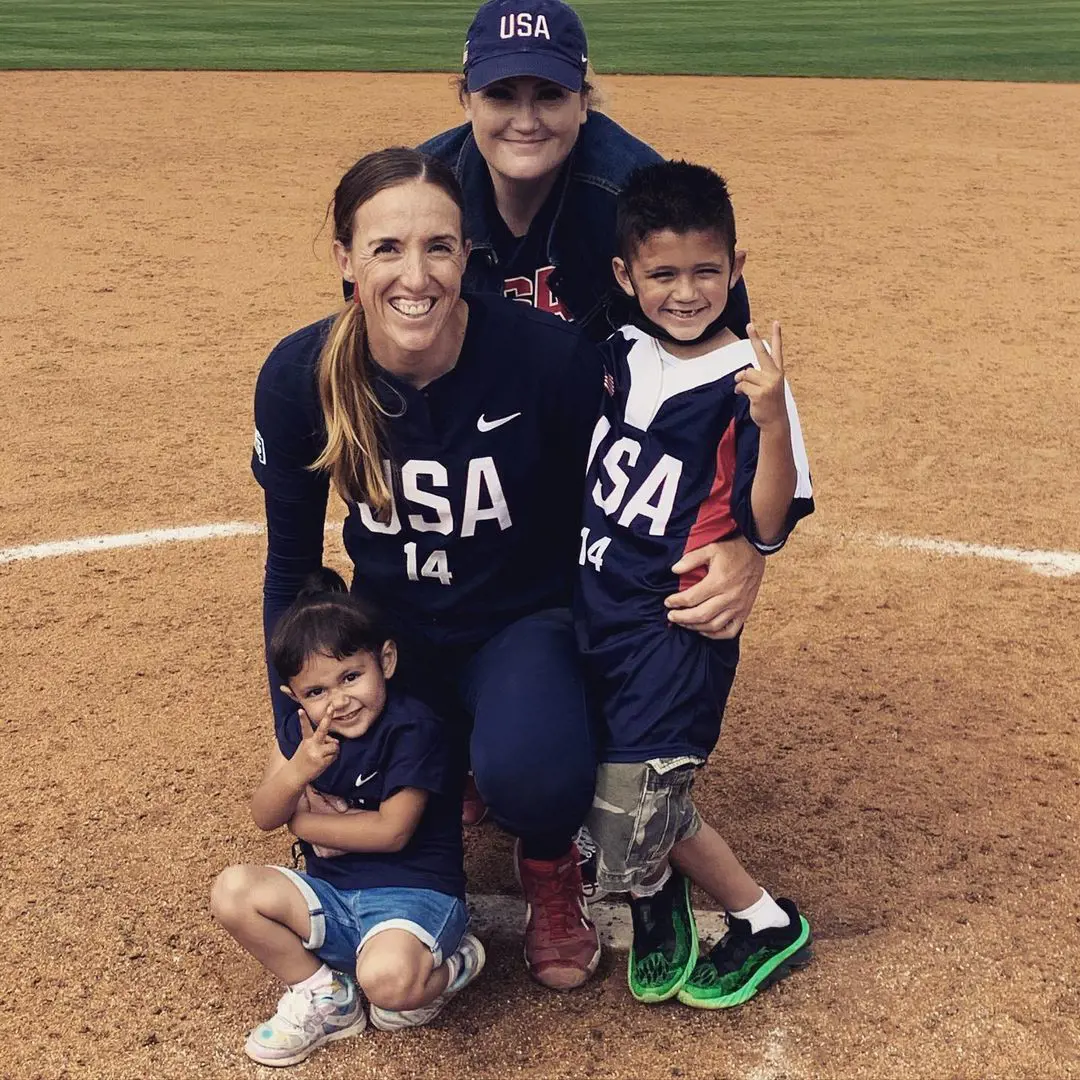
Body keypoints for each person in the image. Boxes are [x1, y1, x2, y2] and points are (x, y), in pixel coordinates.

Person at [251, 146, 608, 992]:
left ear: (466, 254)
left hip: (521, 620)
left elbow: (609, 530)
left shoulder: (547, 360)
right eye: (386, 248)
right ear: (345, 259)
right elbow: (293, 568)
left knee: (536, 769)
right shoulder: (303, 377)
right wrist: (307, 738)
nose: (417, 275)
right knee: (381, 762)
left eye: (439, 247)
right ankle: (456, 756)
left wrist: (599, 694)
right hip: (391, 636)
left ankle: (550, 857)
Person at [419, 0, 766, 673]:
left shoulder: (633, 197)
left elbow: (733, 372)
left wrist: (747, 545)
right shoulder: (422, 195)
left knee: (560, 749)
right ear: (466, 98)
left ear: (584, 98)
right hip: (474, 466)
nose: (525, 119)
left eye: (549, 93)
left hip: (607, 471)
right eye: (500, 94)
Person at [575, 160, 815, 1009]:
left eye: (706, 271)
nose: (685, 292)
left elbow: (768, 518)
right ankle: (659, 891)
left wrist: (772, 419)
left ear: (736, 269)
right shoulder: (619, 352)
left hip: (673, 628)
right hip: (591, 610)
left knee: (624, 819)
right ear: (626, 277)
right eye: (663, 274)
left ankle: (761, 918)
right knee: (596, 772)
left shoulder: (751, 379)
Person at [210, 569, 483, 1067]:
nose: (338, 700)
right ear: (296, 697)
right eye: (316, 692)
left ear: (386, 661)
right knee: (232, 891)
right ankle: (326, 994)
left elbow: (392, 832)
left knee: (391, 989)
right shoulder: (302, 736)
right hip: (334, 895)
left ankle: (456, 963)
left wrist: (307, 825)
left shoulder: (413, 727)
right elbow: (263, 814)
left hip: (413, 895)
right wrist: (296, 774)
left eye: (351, 676)